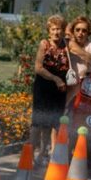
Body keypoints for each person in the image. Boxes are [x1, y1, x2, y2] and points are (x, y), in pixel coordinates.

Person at [31, 14, 69, 165]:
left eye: (59, 29)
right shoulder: (44, 44)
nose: (56, 32)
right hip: (43, 87)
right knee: (37, 122)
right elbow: (38, 68)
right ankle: (29, 154)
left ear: (63, 30)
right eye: (53, 29)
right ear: (49, 30)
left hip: (58, 91)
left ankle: (42, 154)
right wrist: (56, 79)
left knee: (51, 123)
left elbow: (82, 53)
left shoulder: (66, 45)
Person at [65, 16, 91, 111]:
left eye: (84, 31)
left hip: (82, 87)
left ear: (88, 33)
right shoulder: (68, 44)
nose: (80, 33)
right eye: (77, 30)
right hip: (67, 84)